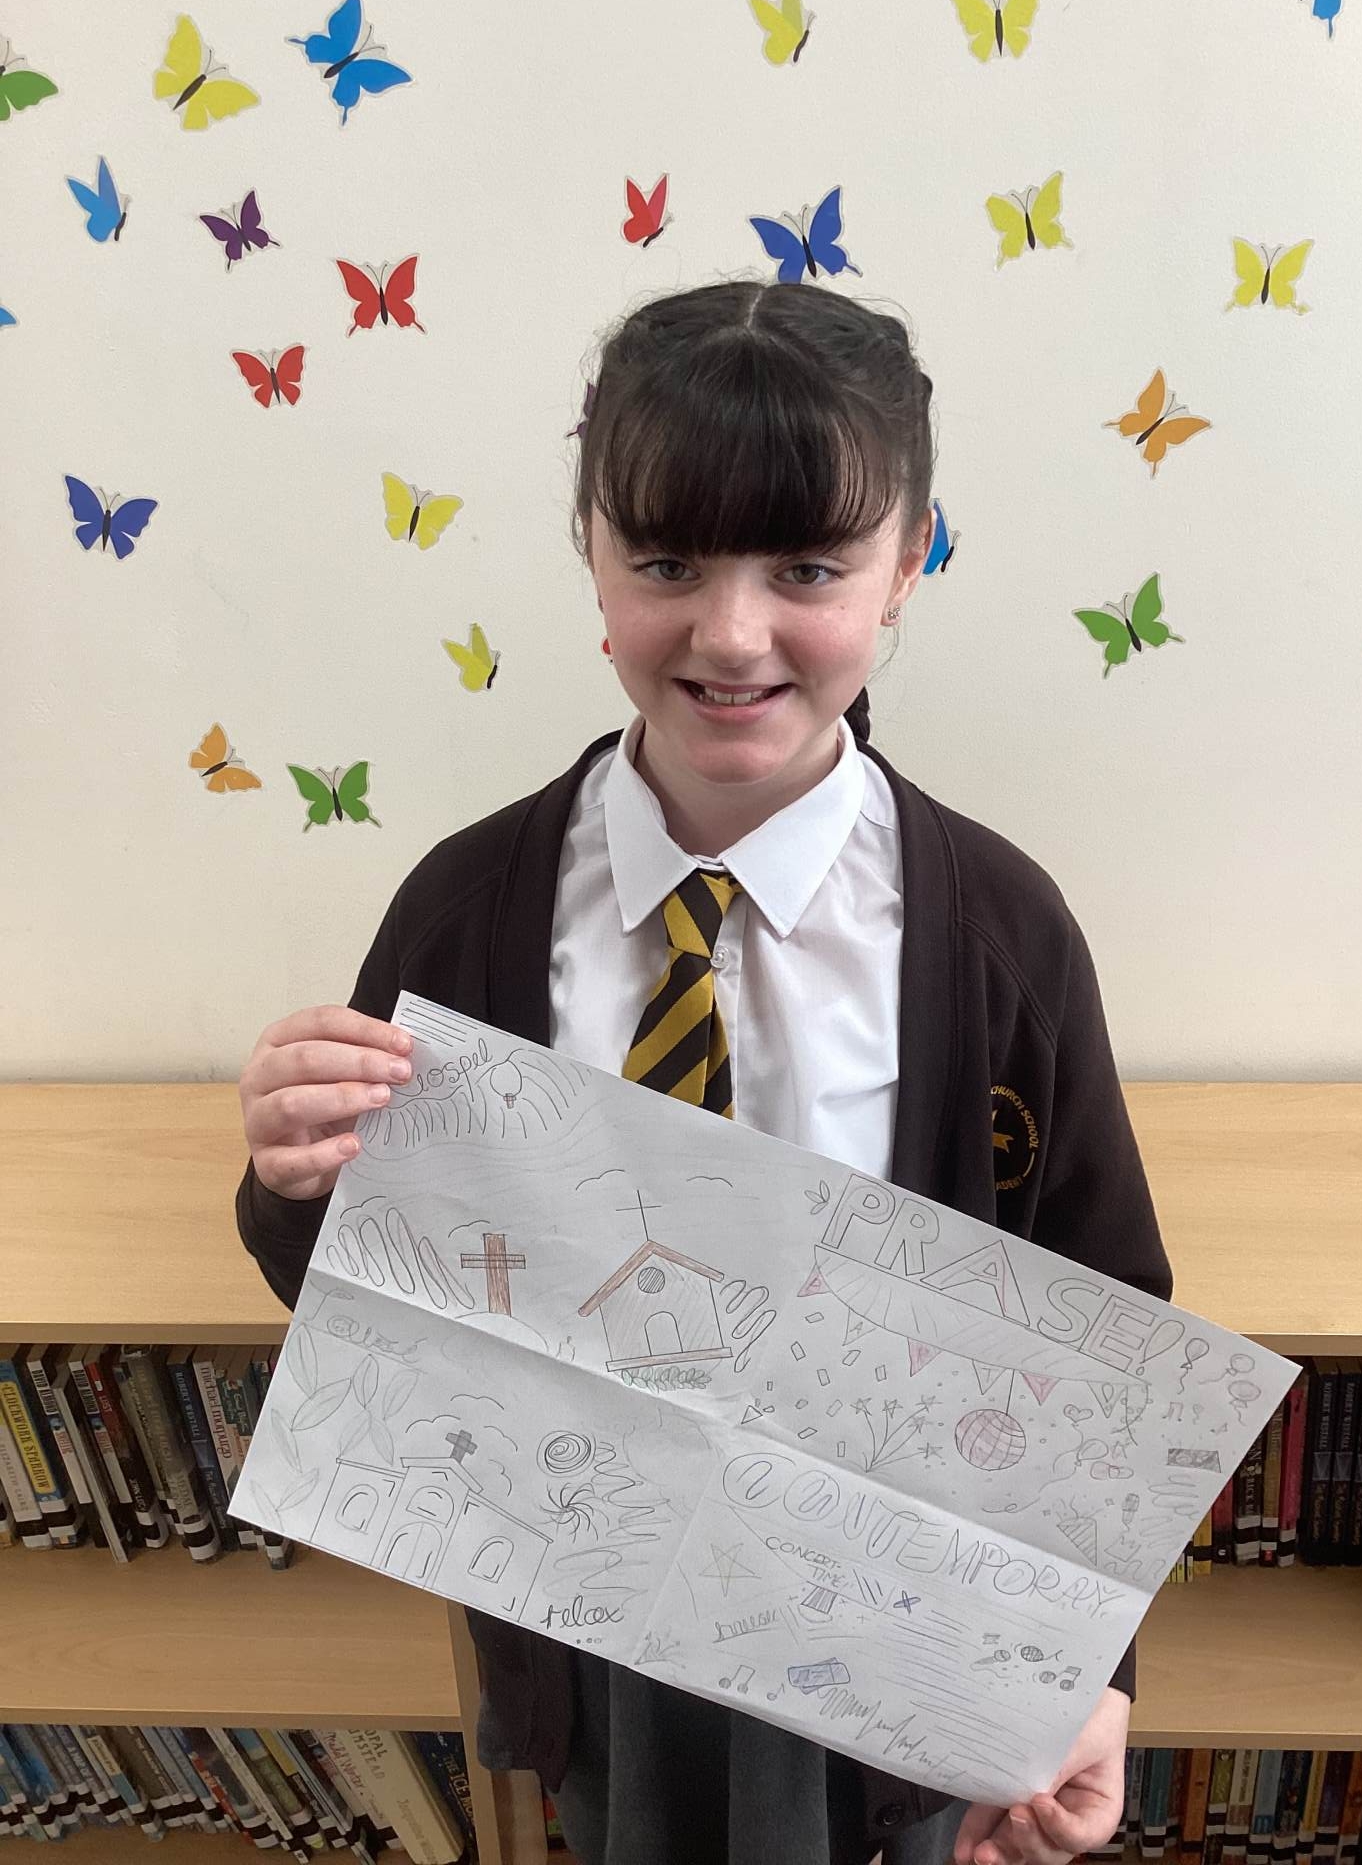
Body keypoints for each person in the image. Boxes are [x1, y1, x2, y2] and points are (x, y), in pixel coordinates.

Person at [236, 276, 1174, 1865]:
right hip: (598, 1617)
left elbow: (1105, 1327)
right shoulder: (466, 911)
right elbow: (360, 1276)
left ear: (910, 564)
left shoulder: (999, 935)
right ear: (591, 555)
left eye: (807, 568)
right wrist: (293, 1178)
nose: (731, 635)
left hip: (896, 1615)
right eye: (667, 563)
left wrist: (1086, 1670)